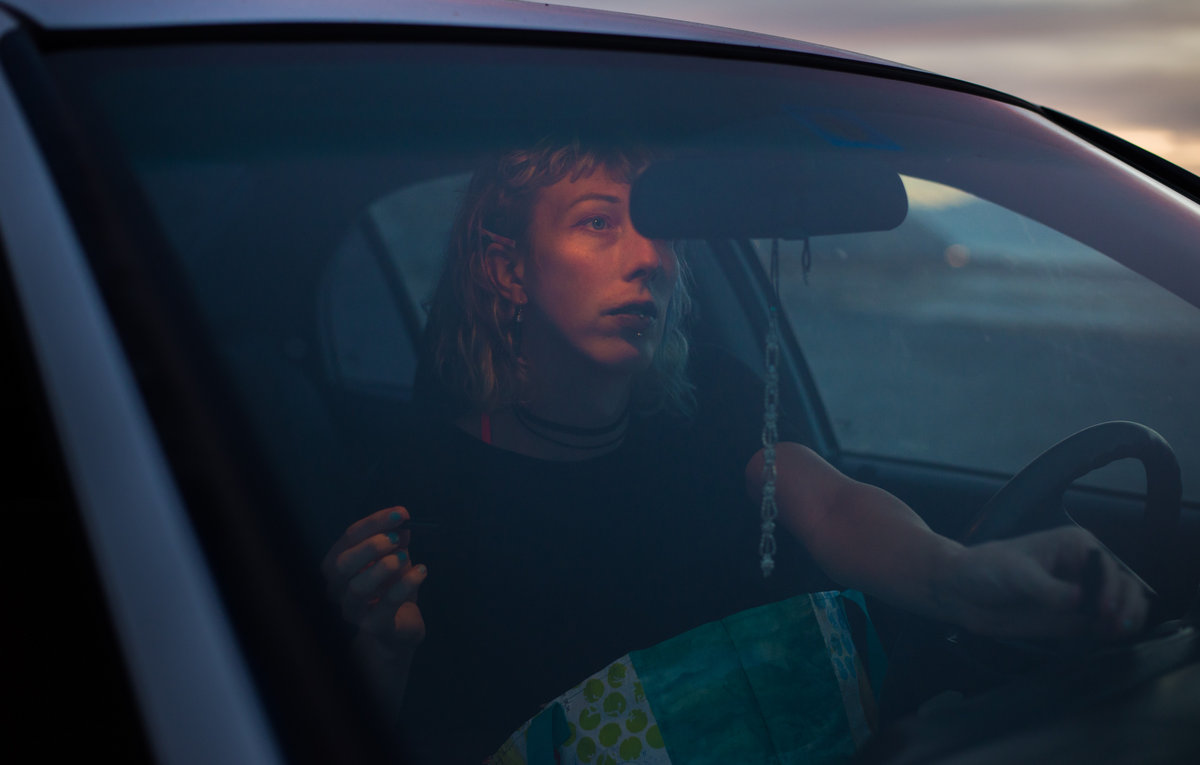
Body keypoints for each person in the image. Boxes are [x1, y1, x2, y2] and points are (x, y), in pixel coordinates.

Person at [322, 138, 1149, 762]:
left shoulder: (710, 402)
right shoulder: (419, 495)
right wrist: (378, 651)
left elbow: (831, 504)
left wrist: (958, 576)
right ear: (507, 270)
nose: (648, 259)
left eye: (661, 229)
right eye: (598, 223)